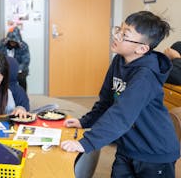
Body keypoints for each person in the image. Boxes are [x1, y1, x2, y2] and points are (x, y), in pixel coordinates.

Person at [60, 11, 180, 177]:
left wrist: (86, 143)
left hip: (155, 151)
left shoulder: (145, 75)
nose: (116, 36)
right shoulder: (119, 61)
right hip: (128, 146)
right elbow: (107, 101)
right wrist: (85, 122)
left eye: (125, 35)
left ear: (142, 48)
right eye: (119, 31)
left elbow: (121, 114)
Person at [0, 26, 30, 91]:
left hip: (19, 69)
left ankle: (23, 94)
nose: (12, 43)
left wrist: (17, 69)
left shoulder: (24, 46)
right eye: (11, 41)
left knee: (22, 78)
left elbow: (26, 61)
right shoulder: (2, 44)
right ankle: (2, 96)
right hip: (5, 67)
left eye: (14, 41)